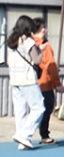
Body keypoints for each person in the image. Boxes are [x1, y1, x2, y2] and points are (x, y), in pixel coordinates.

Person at [7, 15, 45, 150]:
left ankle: (21, 138)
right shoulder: (28, 41)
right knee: (39, 107)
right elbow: (37, 60)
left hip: (14, 79)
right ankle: (25, 135)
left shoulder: (11, 41)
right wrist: (41, 49)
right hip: (27, 79)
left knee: (20, 110)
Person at [32, 17, 61, 145]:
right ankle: (44, 134)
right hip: (45, 83)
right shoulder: (45, 46)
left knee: (34, 109)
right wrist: (58, 84)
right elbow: (51, 65)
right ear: (42, 30)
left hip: (32, 82)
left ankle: (26, 134)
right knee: (46, 108)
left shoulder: (29, 43)